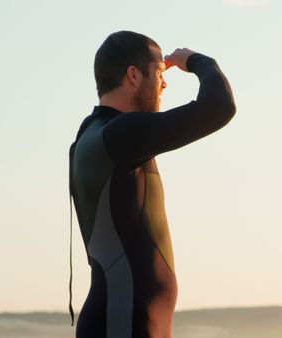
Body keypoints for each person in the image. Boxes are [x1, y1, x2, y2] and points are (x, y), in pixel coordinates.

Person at [68, 30, 236, 338]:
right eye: (159, 72)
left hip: (125, 321)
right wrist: (198, 61)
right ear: (133, 75)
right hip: (122, 323)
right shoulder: (119, 135)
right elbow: (218, 107)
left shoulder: (96, 134)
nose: (164, 83)